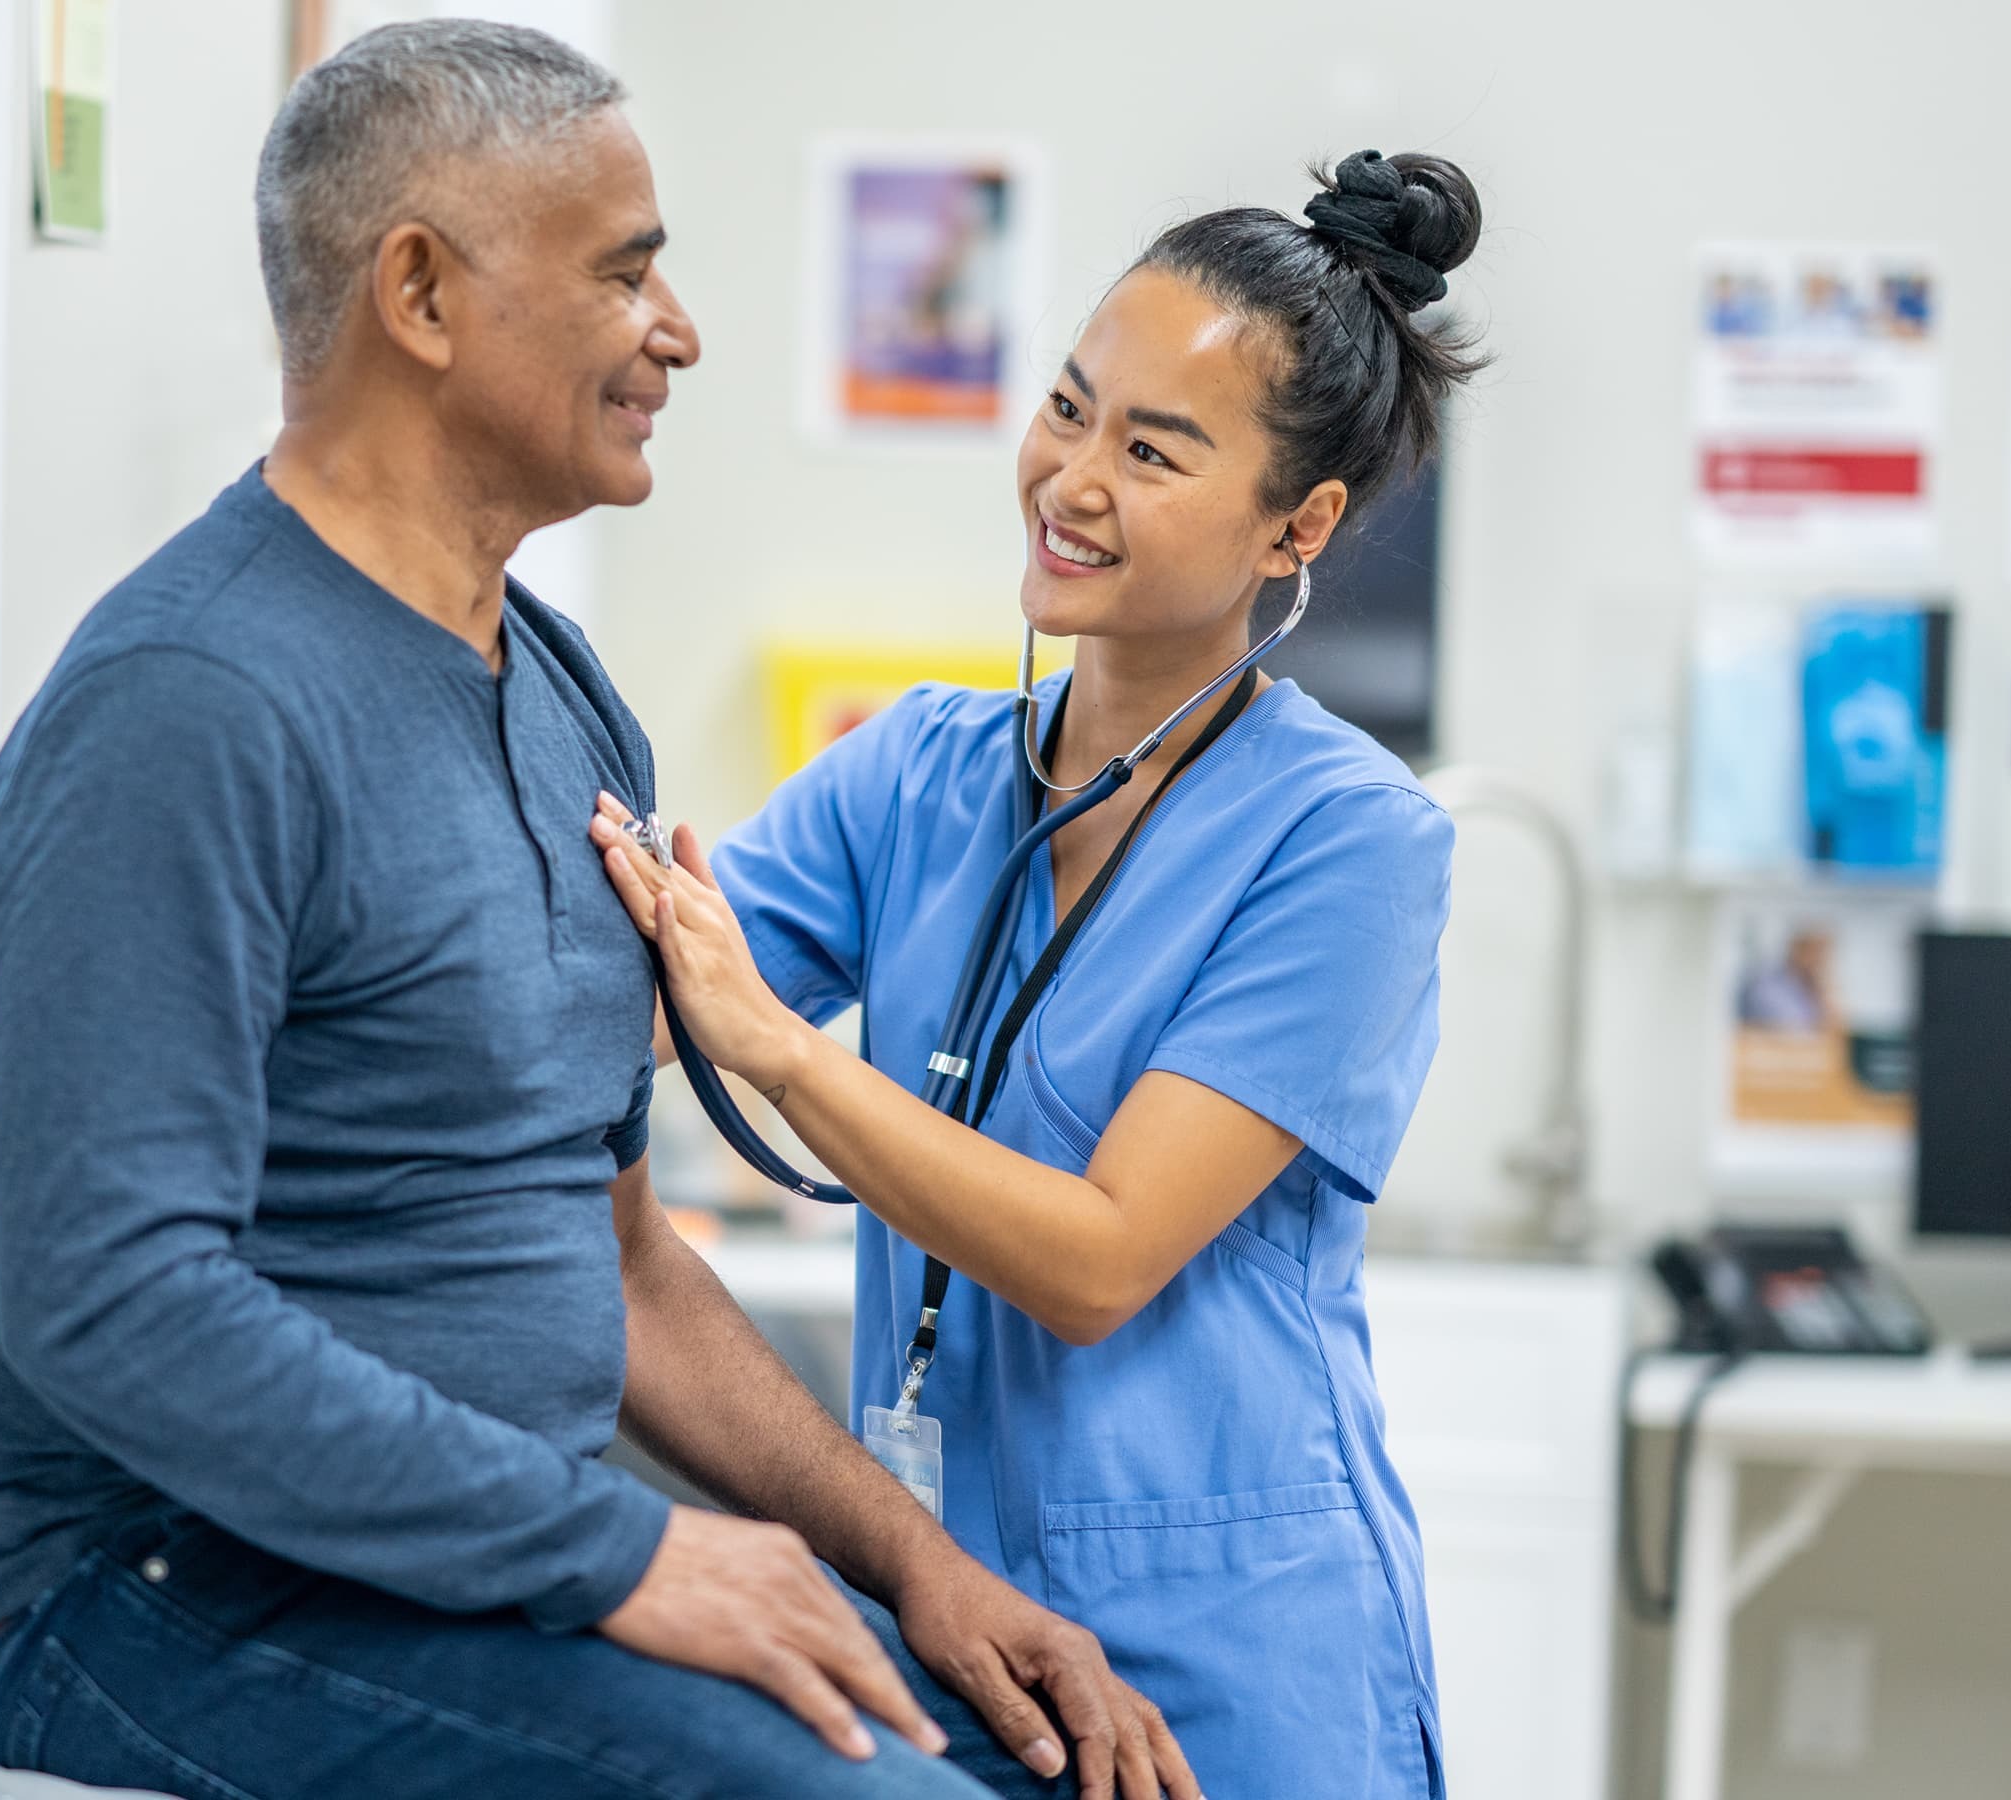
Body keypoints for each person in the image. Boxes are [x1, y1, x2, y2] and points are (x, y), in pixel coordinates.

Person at [0, 23, 1194, 1800]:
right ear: (421, 295)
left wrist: (911, 1561)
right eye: (627, 272)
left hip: (468, 1562)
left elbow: (624, 1264)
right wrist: (630, 1555)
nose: (679, 331)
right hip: (147, 1587)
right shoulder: (189, 704)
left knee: (1059, 1763)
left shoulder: (562, 691)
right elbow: (109, 1303)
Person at [588, 151, 1484, 1799]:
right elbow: (622, 1005)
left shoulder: (1352, 843)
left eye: (1153, 451)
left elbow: (1100, 1259)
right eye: (1069, 411)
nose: (1072, 480)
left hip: (1234, 1669)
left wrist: (782, 1055)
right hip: (944, 1634)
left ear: (1301, 524)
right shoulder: (916, 772)